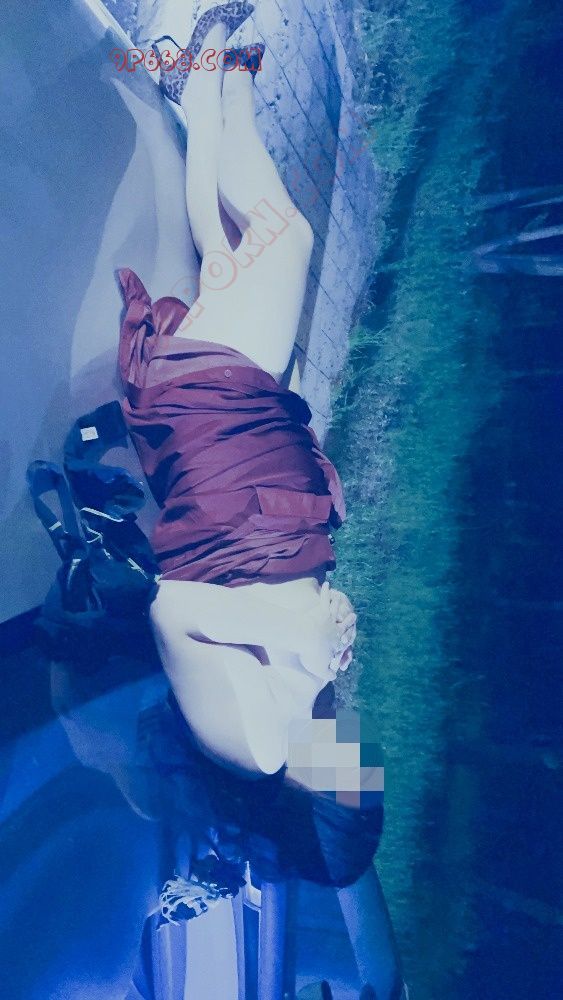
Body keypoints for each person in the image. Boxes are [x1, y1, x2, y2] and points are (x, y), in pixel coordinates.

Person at [116, 3, 408, 995]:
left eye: (353, 784)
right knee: (242, 256)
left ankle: (212, 72)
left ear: (320, 802)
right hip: (257, 471)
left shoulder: (248, 745)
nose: (360, 759)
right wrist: (326, 618)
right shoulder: (306, 715)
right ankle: (216, 76)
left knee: (280, 243)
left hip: (218, 458)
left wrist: (287, 628)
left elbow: (173, 610)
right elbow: (296, 600)